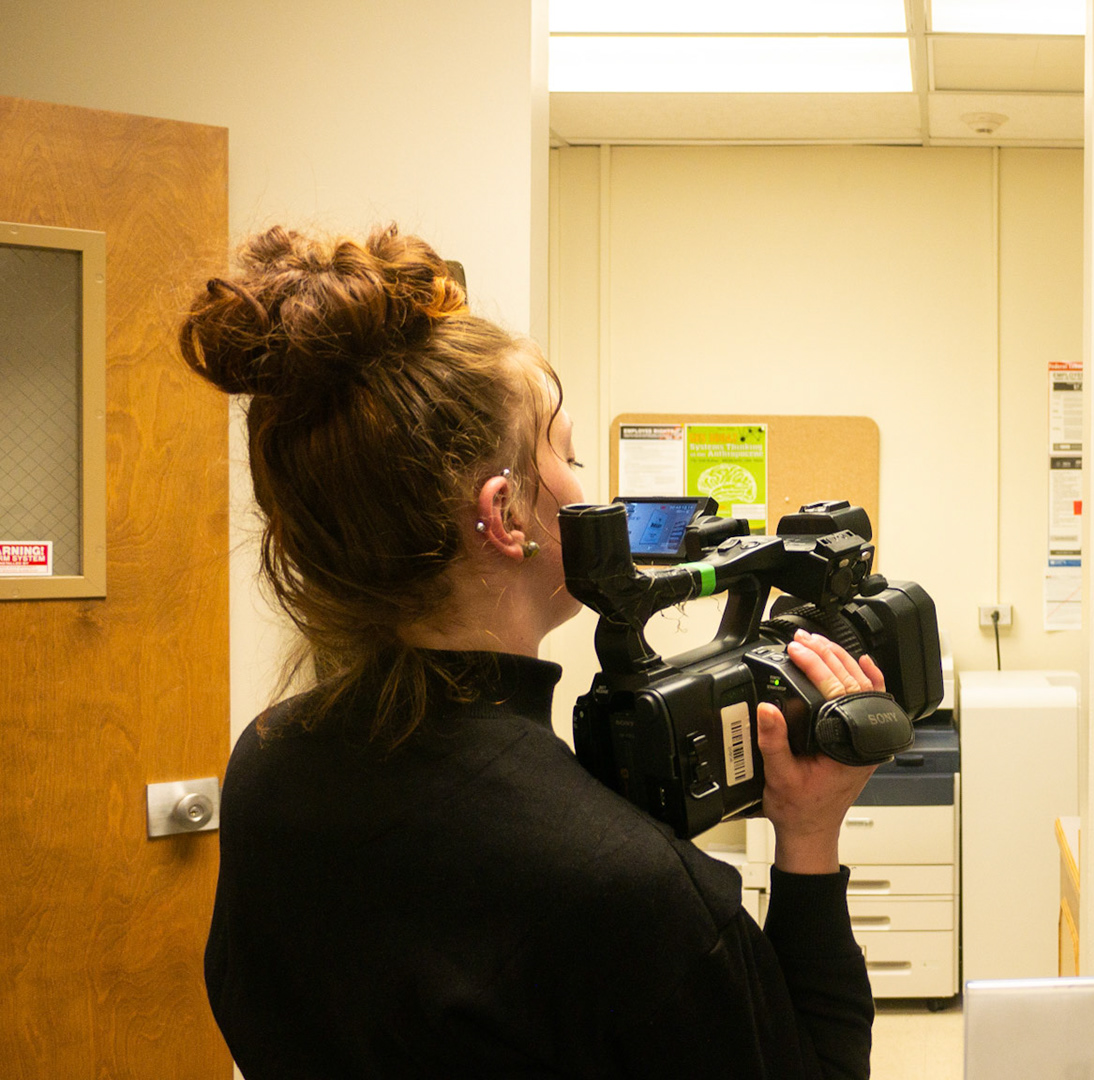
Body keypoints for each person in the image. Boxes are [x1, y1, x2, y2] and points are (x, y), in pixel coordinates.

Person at [181, 225, 883, 1078]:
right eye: (568, 452)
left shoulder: (266, 766)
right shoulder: (634, 891)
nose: (585, 487)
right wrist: (810, 838)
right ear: (504, 514)